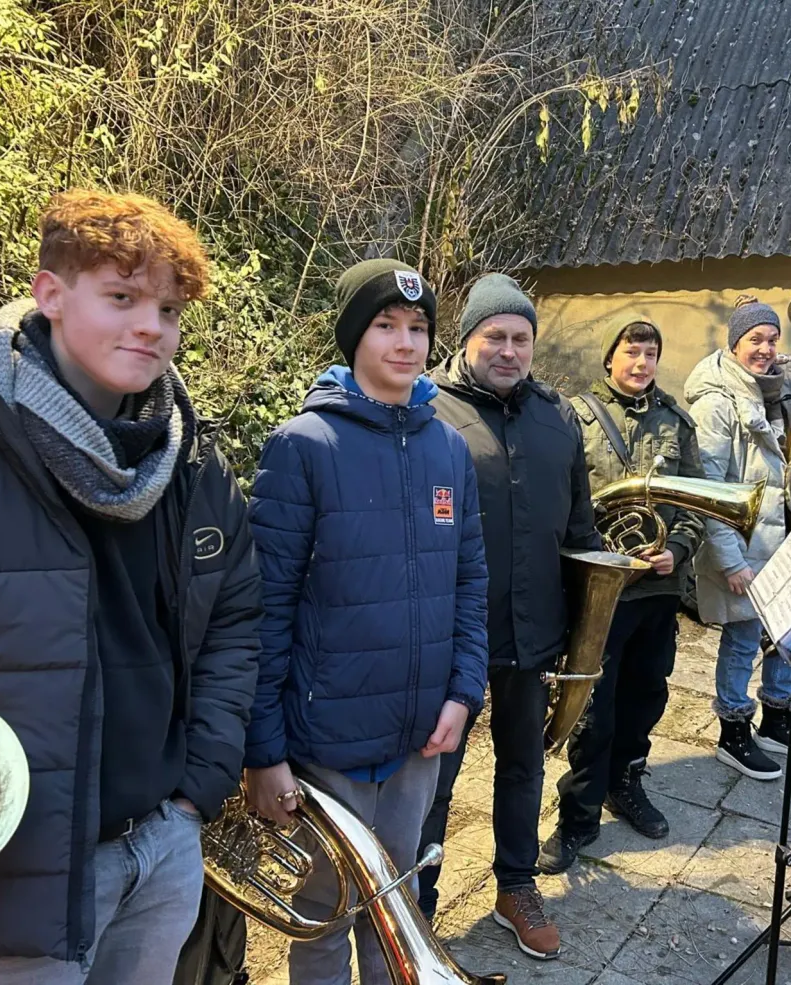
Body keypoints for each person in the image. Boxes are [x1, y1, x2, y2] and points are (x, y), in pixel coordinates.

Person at [0, 189, 264, 983]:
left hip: (160, 848)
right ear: (50, 295)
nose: (153, 326)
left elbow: (237, 619)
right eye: (122, 297)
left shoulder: (194, 463)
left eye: (170, 309)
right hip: (3, 878)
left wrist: (196, 792)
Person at [243, 259, 489, 985]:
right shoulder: (303, 445)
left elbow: (471, 580)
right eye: (386, 326)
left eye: (417, 328)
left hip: (419, 735)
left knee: (399, 908)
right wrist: (264, 748)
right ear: (355, 336)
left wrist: (462, 691)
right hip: (328, 743)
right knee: (325, 912)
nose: (405, 342)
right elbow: (266, 607)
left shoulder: (450, 447)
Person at [415, 272, 599, 960]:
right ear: (467, 339)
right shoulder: (426, 411)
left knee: (524, 765)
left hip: (535, 632)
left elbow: (580, 529)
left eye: (521, 337)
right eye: (495, 335)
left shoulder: (558, 419)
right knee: (434, 777)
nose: (509, 349)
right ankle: (417, 902)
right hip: (448, 636)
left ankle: (515, 885)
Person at [536, 315, 705, 875]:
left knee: (646, 698)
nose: (641, 363)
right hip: (599, 591)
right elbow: (559, 501)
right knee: (592, 713)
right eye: (631, 352)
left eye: (651, 354)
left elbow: (697, 503)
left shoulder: (677, 422)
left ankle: (625, 784)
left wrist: (675, 553)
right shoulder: (573, 416)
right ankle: (578, 818)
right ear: (610, 359)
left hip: (656, 589)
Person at [684, 295, 791, 781]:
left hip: (788, 539)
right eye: (754, 340)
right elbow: (708, 489)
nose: (766, 348)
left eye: (772, 339)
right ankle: (734, 730)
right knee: (744, 639)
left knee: (789, 634)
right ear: (735, 343)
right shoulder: (716, 403)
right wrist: (730, 560)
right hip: (743, 546)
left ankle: (779, 720)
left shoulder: (785, 393)